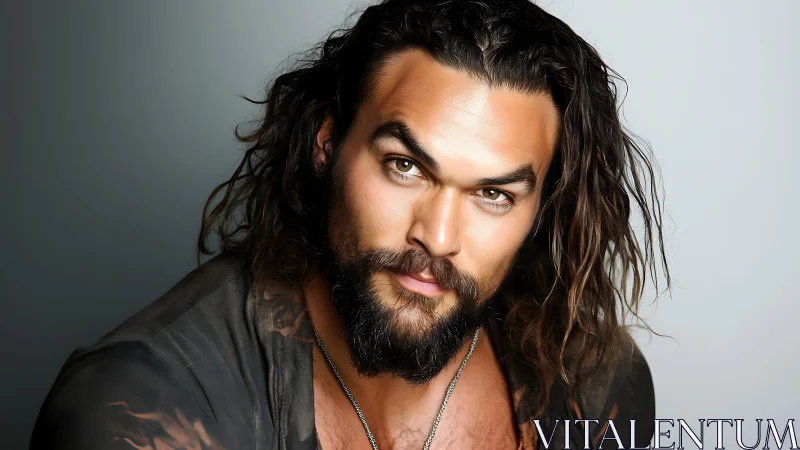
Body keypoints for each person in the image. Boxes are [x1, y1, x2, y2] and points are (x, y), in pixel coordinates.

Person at [30, 0, 671, 448]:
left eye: (494, 195)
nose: (438, 238)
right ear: (328, 143)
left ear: (540, 210)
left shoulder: (595, 382)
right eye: (406, 166)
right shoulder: (139, 412)